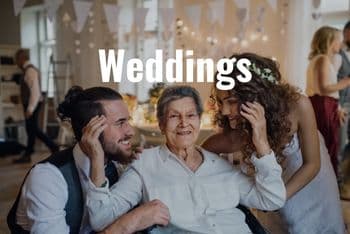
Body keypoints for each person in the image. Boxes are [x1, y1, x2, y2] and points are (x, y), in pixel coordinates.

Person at [83, 85, 286, 233]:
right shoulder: (144, 164)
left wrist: (261, 142)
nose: (183, 123)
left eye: (190, 115)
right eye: (174, 116)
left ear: (199, 120)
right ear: (161, 124)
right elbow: (101, 218)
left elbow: (272, 199)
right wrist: (96, 159)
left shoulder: (221, 165)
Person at [203, 52, 345, 234]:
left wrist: (278, 197)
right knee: (280, 226)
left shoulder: (298, 105)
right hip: (272, 190)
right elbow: (201, 153)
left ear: (255, 96)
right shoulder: (238, 131)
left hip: (309, 179)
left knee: (318, 224)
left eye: (231, 101)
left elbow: (312, 164)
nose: (224, 111)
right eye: (221, 102)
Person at [7, 86, 170, 233]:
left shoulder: (117, 165)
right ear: (93, 130)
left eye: (128, 121)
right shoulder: (48, 177)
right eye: (120, 123)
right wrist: (127, 224)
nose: (130, 132)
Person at [306, 26, 350, 176]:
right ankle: (327, 181)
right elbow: (324, 89)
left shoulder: (321, 60)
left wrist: (337, 108)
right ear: (330, 41)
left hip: (326, 104)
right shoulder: (323, 60)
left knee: (328, 143)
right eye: (338, 39)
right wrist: (346, 82)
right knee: (328, 143)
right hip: (323, 105)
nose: (341, 43)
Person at [13, 49, 59, 163]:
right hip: (32, 104)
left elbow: (35, 92)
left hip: (33, 104)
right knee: (31, 129)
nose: (16, 63)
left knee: (33, 129)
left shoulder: (30, 71)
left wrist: (30, 109)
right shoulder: (27, 70)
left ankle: (52, 147)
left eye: (16, 60)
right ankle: (30, 152)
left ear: (21, 58)